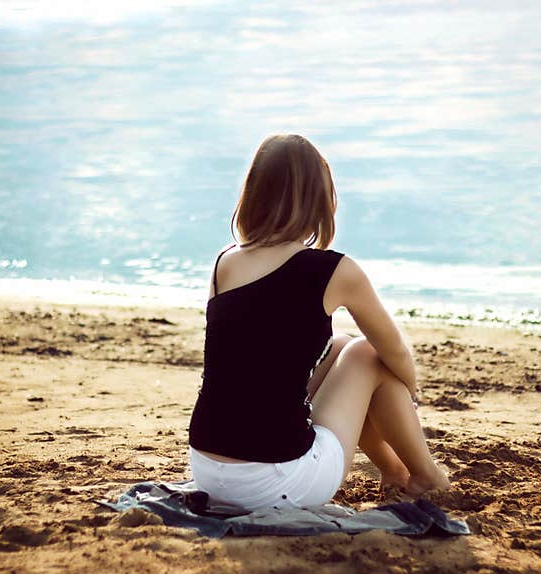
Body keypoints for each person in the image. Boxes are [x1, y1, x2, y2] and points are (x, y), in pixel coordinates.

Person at [187, 134, 450, 511]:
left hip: (208, 471)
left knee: (342, 347)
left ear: (254, 193)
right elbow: (394, 352)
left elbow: (250, 358)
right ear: (321, 199)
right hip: (276, 482)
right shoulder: (334, 271)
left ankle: (393, 470)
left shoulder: (223, 263)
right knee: (368, 353)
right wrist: (408, 393)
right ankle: (426, 473)